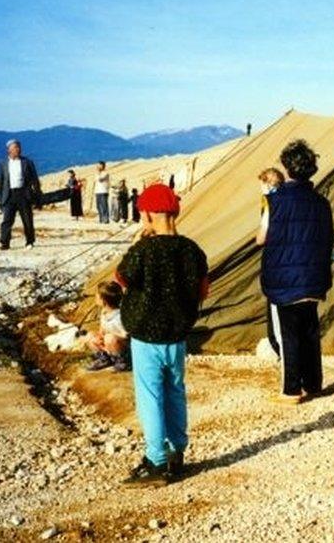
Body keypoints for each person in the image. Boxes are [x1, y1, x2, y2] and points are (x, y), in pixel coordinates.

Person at [114, 183, 209, 487]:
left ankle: (156, 459)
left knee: (150, 397)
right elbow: (202, 289)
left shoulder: (143, 250)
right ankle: (177, 451)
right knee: (175, 390)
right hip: (178, 336)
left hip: (146, 337)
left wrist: (140, 241)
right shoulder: (192, 250)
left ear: (149, 213)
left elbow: (122, 278)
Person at [260, 140, 333, 405]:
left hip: (284, 279)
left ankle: (291, 390)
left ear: (287, 167)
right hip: (313, 277)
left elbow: (263, 237)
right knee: (311, 330)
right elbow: (327, 240)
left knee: (289, 333)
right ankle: (314, 383)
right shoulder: (322, 203)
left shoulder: (274, 201)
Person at [254, 167, 285, 358]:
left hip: (275, 261)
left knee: (276, 309)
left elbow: (261, 238)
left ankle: (280, 348)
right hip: (289, 261)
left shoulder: (271, 203)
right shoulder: (289, 202)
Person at [0, 139, 41, 250]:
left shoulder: (27, 162)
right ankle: (5, 242)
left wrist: (37, 194)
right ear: (9, 150)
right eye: (15, 147)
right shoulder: (3, 164)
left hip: (23, 194)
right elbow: (0, 183)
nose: (18, 149)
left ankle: (29, 241)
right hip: (9, 195)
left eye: (19, 147)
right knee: (7, 220)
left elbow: (34, 180)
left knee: (27, 219)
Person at [86, 281, 130, 372]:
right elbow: (102, 330)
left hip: (123, 346)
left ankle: (122, 362)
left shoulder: (120, 316)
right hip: (109, 345)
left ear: (104, 300)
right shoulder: (104, 313)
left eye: (97, 296)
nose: (95, 298)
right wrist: (99, 337)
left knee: (110, 338)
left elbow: (127, 336)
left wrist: (108, 338)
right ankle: (104, 359)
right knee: (90, 336)